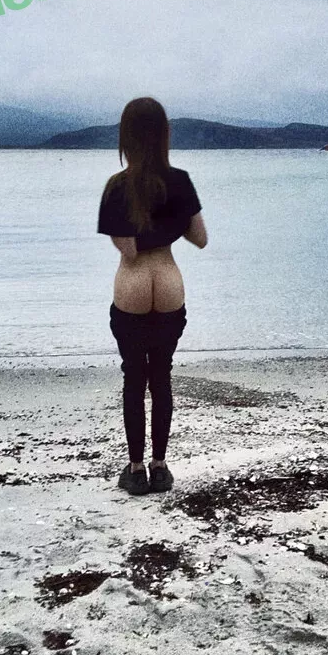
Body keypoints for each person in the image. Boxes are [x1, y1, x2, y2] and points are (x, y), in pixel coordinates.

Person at [97, 97, 208, 496]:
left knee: (134, 377)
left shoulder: (117, 186)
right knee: (161, 376)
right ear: (164, 134)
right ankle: (161, 467)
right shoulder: (180, 180)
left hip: (133, 285)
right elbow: (200, 238)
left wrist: (142, 225)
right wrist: (170, 223)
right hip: (169, 280)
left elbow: (128, 249)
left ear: (126, 136)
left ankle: (136, 469)